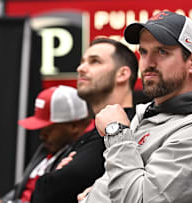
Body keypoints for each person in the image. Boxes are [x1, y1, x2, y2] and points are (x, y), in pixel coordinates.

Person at [79, 11, 192, 203]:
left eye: (162, 51)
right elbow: (121, 182)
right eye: (144, 52)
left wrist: (117, 133)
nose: (148, 63)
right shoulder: (147, 115)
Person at [29, 37, 139, 203]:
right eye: (82, 62)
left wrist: (52, 178)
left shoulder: (130, 127)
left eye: (95, 62)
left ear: (123, 74)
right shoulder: (90, 134)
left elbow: (48, 192)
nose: (81, 68)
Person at [0, 85, 91, 203]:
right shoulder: (47, 149)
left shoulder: (81, 160)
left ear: (74, 125)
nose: (42, 135)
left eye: (48, 129)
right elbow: (22, 191)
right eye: (40, 129)